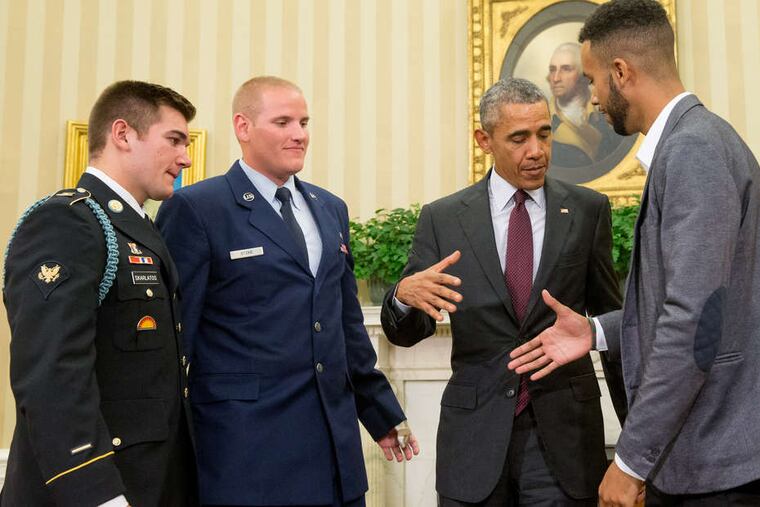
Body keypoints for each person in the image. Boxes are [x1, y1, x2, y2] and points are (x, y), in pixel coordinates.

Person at [508, 1, 760, 505]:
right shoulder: (693, 143)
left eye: (595, 79)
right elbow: (687, 301)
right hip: (705, 457)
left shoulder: (694, 150)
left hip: (713, 462)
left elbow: (693, 320)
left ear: (621, 72)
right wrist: (596, 330)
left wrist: (629, 460)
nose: (595, 96)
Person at [156, 76, 419, 507]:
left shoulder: (330, 207)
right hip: (244, 454)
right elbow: (174, 339)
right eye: (283, 122)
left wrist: (379, 412)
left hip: (333, 452)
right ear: (243, 127)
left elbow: (345, 322)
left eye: (303, 121)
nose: (299, 134)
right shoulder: (197, 209)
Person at [380, 77, 621, 506]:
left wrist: (636, 438)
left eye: (544, 134)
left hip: (565, 441)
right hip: (475, 442)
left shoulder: (587, 211)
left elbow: (613, 325)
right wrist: (402, 295)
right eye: (519, 138)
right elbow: (408, 331)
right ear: (484, 140)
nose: (537, 150)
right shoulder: (444, 218)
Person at [2, 80, 198, 506]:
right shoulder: (68, 221)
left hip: (147, 480)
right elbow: (53, 373)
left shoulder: (140, 228)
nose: (185, 157)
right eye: (174, 140)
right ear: (123, 134)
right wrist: (95, 492)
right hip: (94, 487)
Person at [546, 42, 618, 171]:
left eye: (566, 69)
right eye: (552, 70)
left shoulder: (607, 116)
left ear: (582, 75)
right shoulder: (545, 121)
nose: (556, 78)